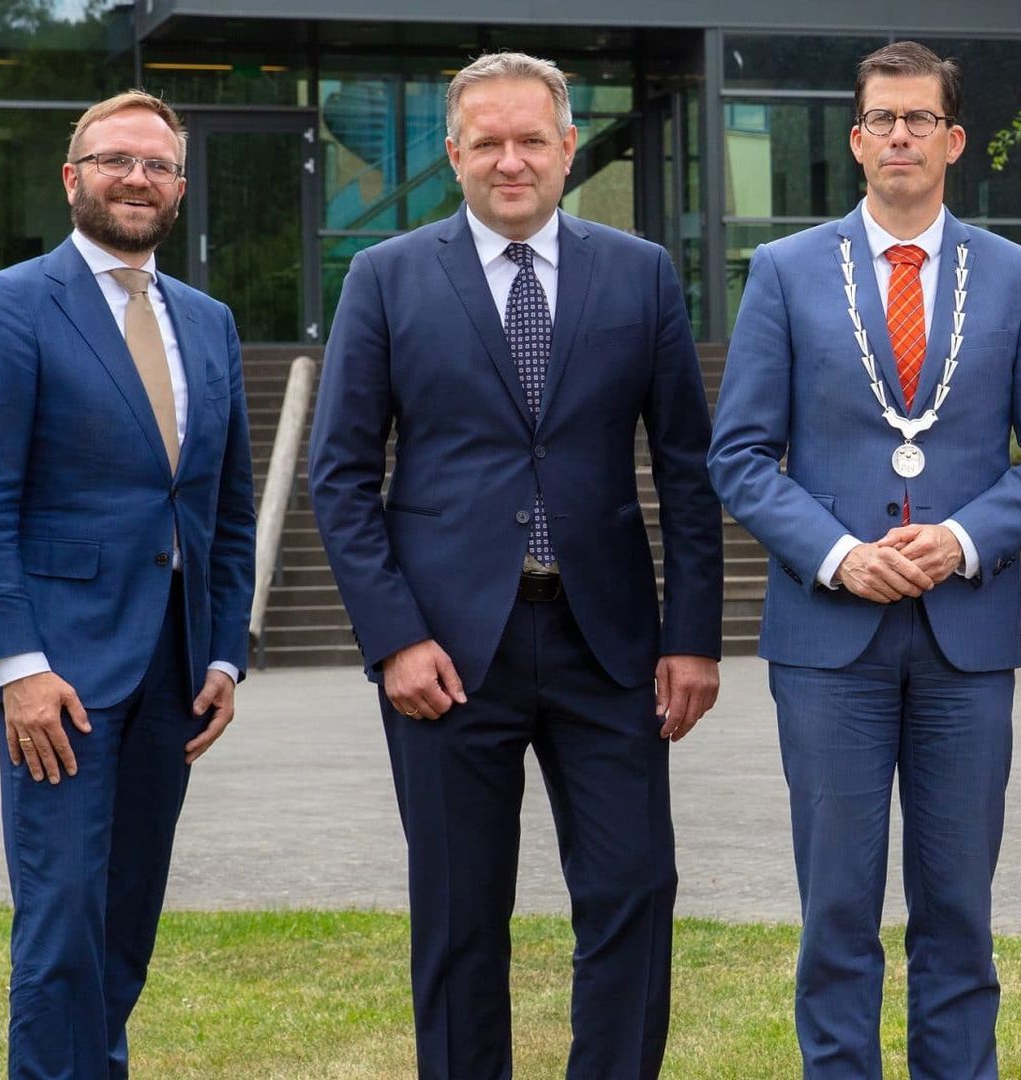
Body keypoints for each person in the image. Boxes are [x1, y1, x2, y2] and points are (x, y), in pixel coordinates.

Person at [306, 52, 723, 1080]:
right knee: (457, 914)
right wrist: (394, 639)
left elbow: (688, 470)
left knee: (633, 892)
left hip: (610, 645)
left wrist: (692, 639)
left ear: (568, 145)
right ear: (453, 153)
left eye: (531, 138)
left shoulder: (640, 275)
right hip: (447, 655)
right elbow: (341, 476)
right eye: (486, 141)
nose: (510, 160)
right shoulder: (387, 277)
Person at [708, 41, 1021, 1079]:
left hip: (966, 641)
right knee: (836, 909)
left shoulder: (1016, 278)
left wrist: (965, 537)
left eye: (921, 119)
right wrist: (838, 554)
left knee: (958, 908)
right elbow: (738, 457)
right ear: (855, 138)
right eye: (882, 119)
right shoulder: (786, 273)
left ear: (954, 139)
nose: (901, 137)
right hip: (828, 643)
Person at [0, 90, 256, 1078]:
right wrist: (18, 665)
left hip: (172, 675)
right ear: (72, 177)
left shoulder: (207, 322)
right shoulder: (9, 306)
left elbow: (226, 509)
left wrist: (224, 653)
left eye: (157, 166)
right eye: (115, 160)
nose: (137, 179)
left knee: (123, 922)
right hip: (60, 676)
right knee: (63, 923)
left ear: (179, 190)